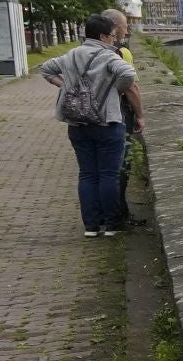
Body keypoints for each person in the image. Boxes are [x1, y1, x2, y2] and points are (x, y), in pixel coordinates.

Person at [41, 14, 144, 237]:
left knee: (87, 174)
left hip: (78, 123)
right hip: (107, 121)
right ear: (103, 36)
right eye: (112, 36)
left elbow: (46, 69)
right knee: (109, 174)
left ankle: (91, 226)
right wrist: (113, 90)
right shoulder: (107, 56)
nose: (114, 40)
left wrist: (67, 87)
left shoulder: (71, 55)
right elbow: (129, 75)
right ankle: (111, 224)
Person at [101, 9, 138, 225]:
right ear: (115, 28)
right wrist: (140, 115)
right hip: (119, 115)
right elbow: (132, 88)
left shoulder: (82, 53)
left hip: (90, 116)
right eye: (125, 25)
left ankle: (96, 218)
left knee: (93, 172)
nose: (128, 29)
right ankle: (118, 216)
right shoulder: (122, 52)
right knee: (120, 167)